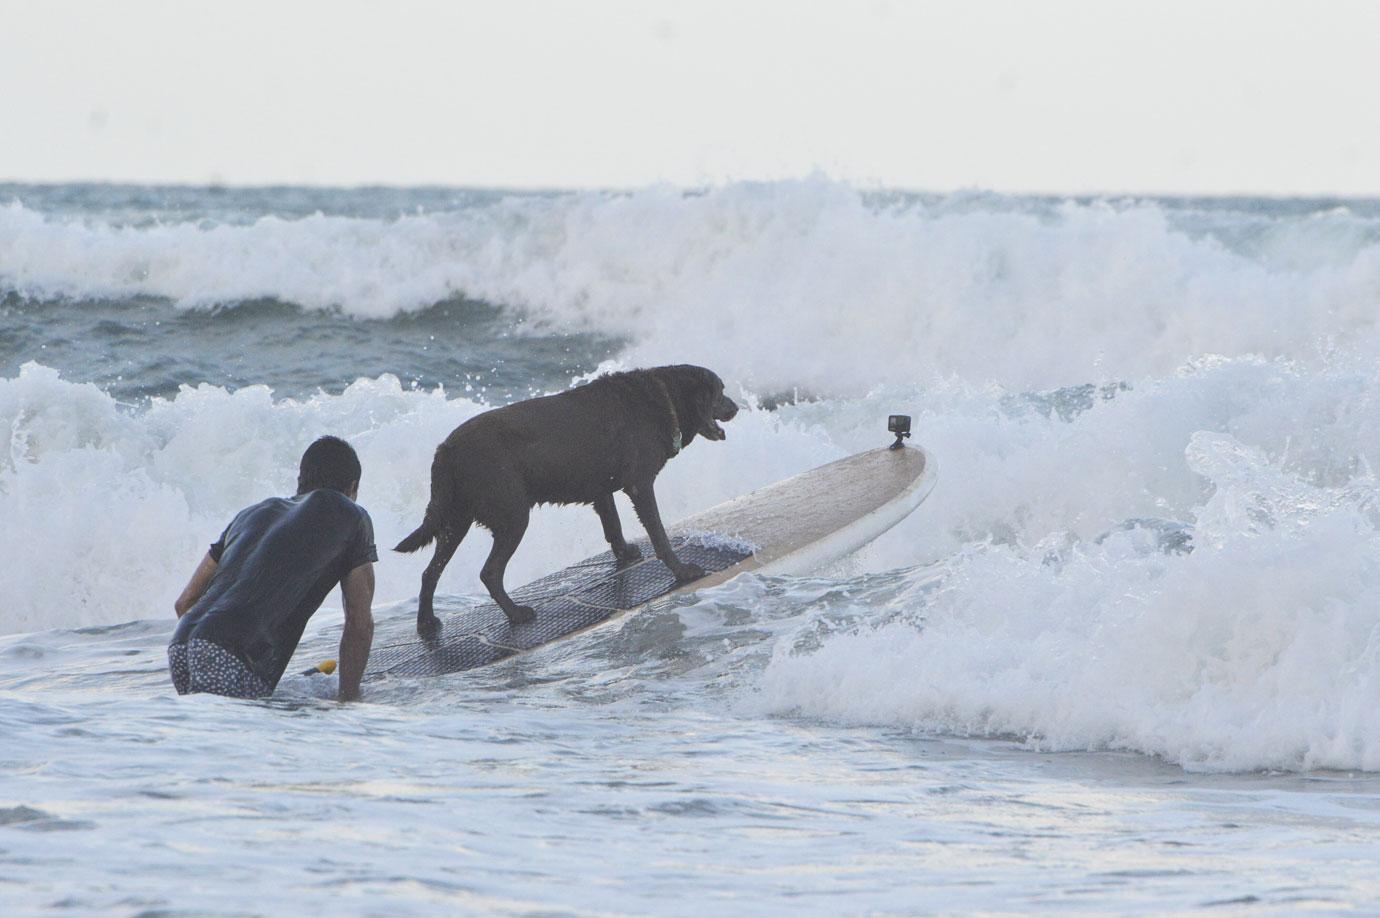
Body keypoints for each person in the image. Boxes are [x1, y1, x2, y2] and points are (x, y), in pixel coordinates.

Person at [169, 436, 376, 701]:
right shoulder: (352, 515)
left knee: (209, 737)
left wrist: (206, 648)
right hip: (229, 653)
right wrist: (348, 699)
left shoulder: (251, 514)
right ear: (352, 487)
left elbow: (185, 602)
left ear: (301, 480)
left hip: (182, 643)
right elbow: (359, 623)